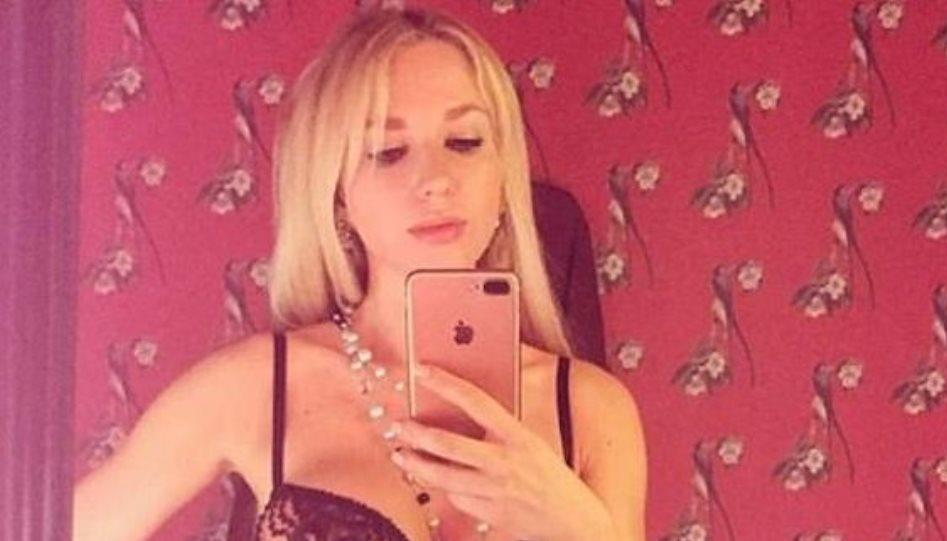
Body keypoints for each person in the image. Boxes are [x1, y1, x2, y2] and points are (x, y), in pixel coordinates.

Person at [73, 6, 647, 541]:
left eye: (465, 141)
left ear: (503, 177)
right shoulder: (254, 386)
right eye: (388, 151)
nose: (436, 180)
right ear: (338, 194)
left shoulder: (592, 410)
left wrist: (580, 529)